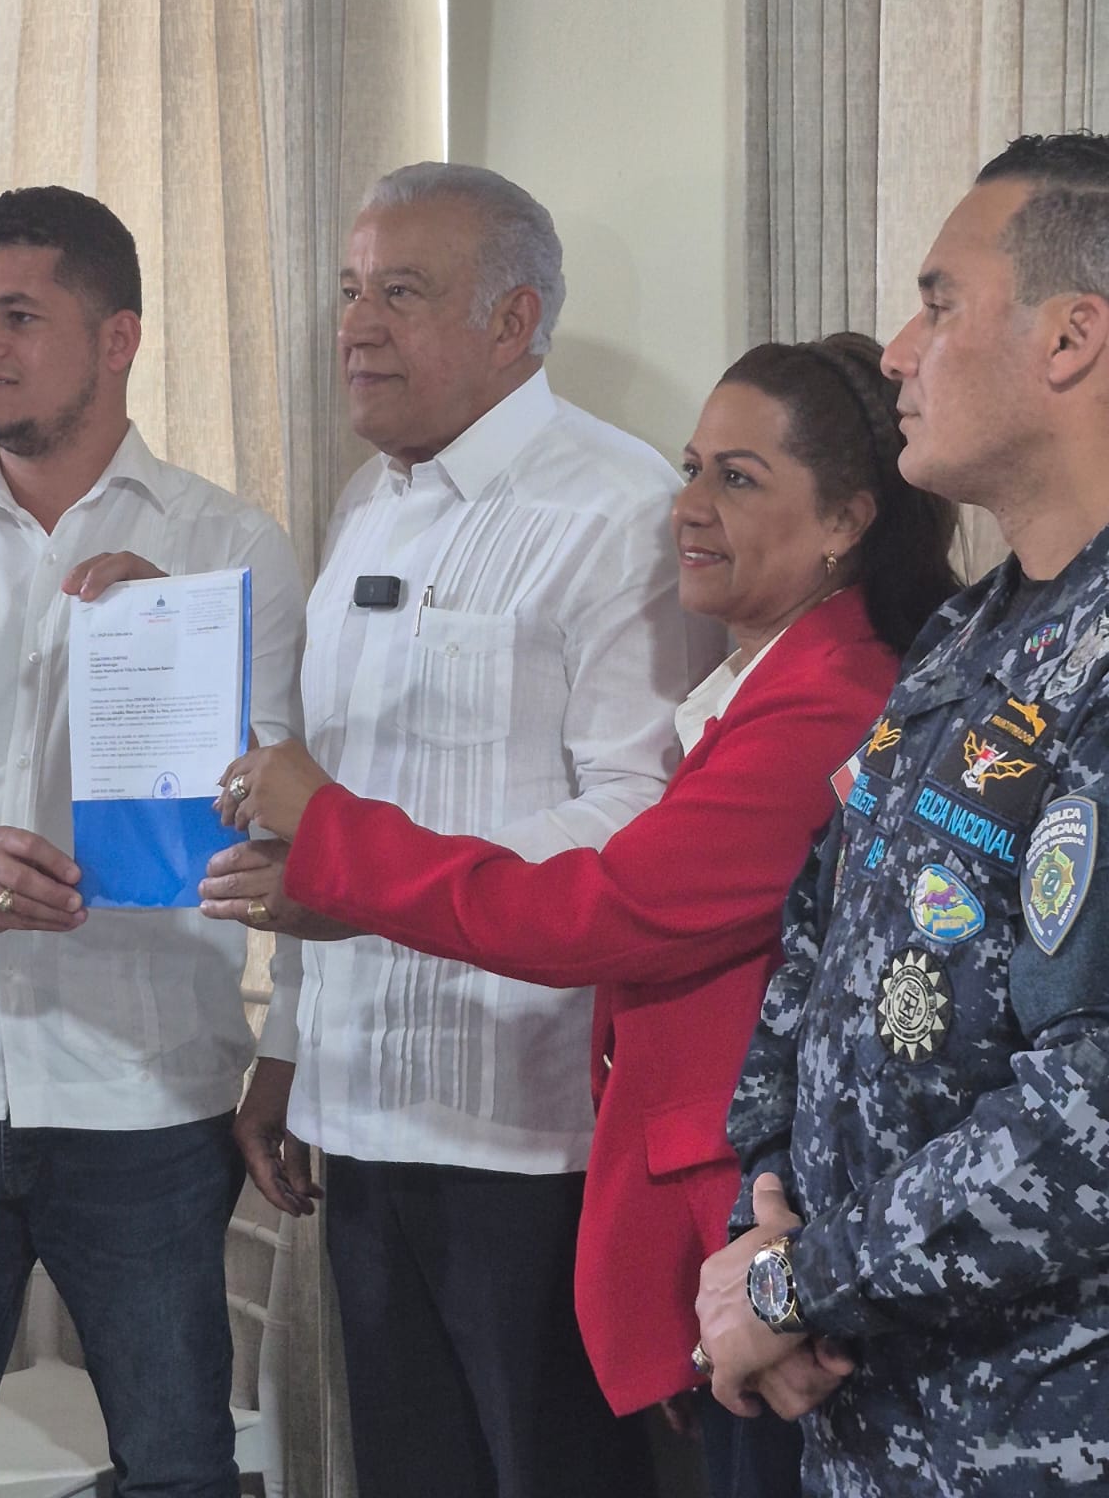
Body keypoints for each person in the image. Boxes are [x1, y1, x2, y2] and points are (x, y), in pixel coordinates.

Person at [202, 332, 960, 1496]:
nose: (689, 508)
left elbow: (599, 911)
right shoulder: (774, 677)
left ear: (846, 521)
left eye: (739, 479)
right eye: (694, 466)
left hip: (719, 1198)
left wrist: (336, 833)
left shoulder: (834, 699)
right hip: (529, 1139)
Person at [213, 162, 702, 1498]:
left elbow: (636, 820)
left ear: (513, 320)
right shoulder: (372, 503)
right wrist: (287, 1051)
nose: (356, 326)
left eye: (403, 293)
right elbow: (325, 797)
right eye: (352, 291)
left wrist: (368, 883)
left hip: (531, 1132)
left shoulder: (621, 511)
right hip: (363, 1115)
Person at [690, 129, 1109, 1497]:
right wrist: (767, 1222)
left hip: (1035, 1431)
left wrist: (804, 1285)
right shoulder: (967, 638)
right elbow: (821, 938)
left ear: (1070, 338)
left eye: (938, 303)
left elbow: (1089, 1108)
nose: (893, 350)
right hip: (875, 1416)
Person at [0, 186, 304, 1497]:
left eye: (19, 314)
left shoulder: (229, 548)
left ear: (119, 335)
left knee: (180, 1465)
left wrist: (176, 644)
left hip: (145, 1094)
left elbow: (278, 816)